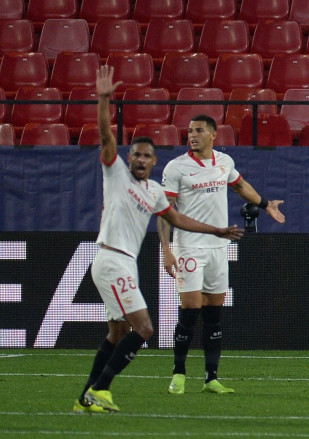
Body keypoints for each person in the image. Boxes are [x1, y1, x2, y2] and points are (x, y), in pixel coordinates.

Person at [75, 66, 244, 414]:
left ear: (154, 162)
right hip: (111, 258)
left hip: (124, 262)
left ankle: (84, 399)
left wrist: (217, 230)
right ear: (129, 158)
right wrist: (104, 99)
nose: (139, 159)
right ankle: (102, 390)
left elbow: (176, 218)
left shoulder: (153, 191)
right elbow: (106, 136)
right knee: (145, 328)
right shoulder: (116, 173)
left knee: (118, 333)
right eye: (135, 153)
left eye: (146, 155)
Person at [157, 114, 285, 396]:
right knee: (191, 311)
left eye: (199, 130)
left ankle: (211, 378)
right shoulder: (176, 167)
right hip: (189, 246)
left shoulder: (224, 162)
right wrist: (166, 250)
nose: (192, 135)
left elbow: (239, 185)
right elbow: (166, 212)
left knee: (214, 314)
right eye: (190, 130)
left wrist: (266, 205)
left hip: (218, 248)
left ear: (213, 135)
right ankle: (178, 373)